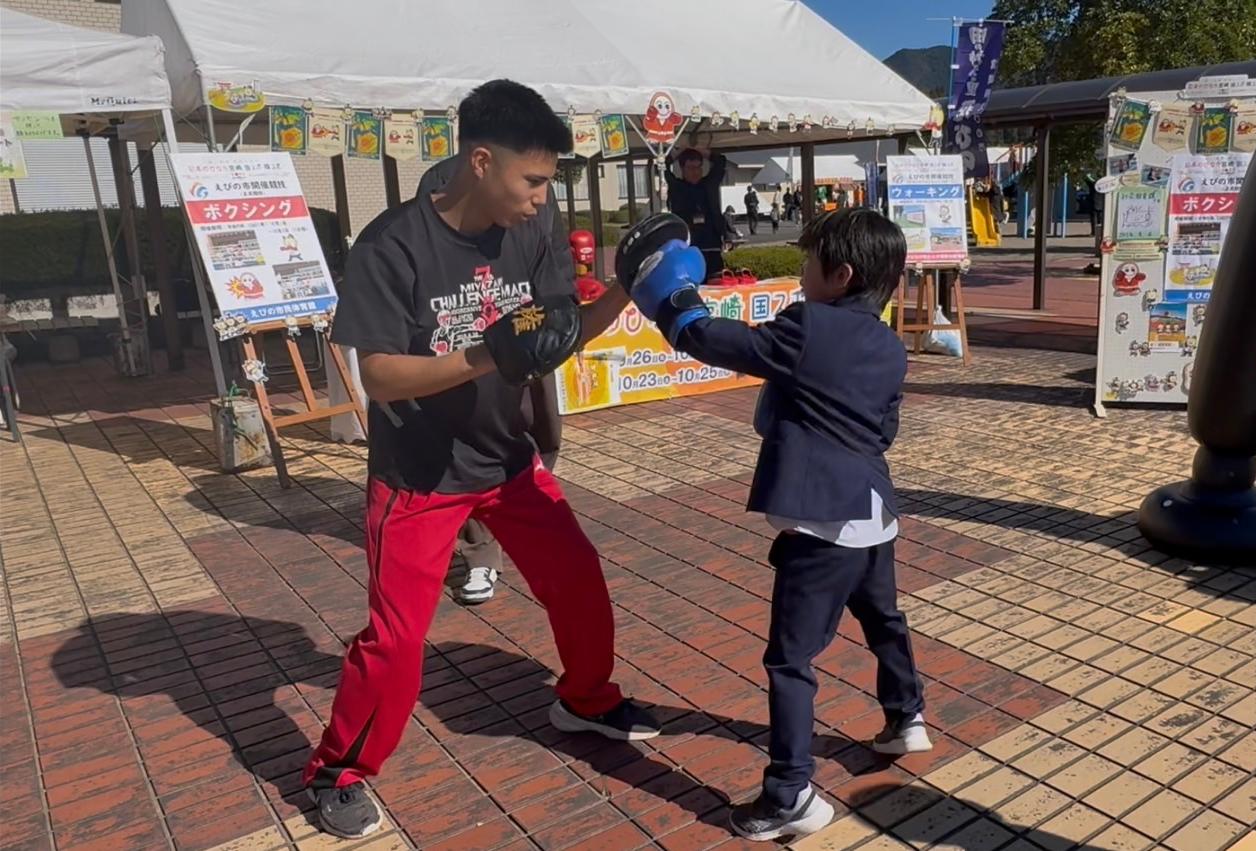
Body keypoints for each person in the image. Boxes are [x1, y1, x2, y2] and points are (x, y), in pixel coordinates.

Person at [303, 80, 660, 840]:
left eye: (548, 184)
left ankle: (586, 699)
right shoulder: (391, 244)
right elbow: (381, 374)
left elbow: (557, 331)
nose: (541, 198)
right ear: (480, 161)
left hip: (507, 458)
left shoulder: (531, 227)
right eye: (532, 181)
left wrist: (634, 280)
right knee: (395, 639)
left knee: (579, 579)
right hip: (419, 476)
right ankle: (339, 770)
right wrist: (482, 352)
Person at [613, 208, 929, 842]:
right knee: (884, 619)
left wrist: (672, 295)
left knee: (790, 662)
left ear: (839, 275)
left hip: (823, 527)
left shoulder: (812, 324)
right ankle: (906, 718)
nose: (801, 277)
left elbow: (711, 340)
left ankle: (789, 793)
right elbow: (885, 429)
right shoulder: (890, 345)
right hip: (876, 514)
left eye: (808, 264)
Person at [415, 153, 564, 605]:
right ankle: (481, 552)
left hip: (531, 326)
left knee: (541, 428)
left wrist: (560, 311)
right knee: (474, 439)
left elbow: (551, 249)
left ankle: (519, 513)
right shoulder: (439, 180)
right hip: (472, 336)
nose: (536, 197)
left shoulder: (535, 180)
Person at [663, 146, 729, 280]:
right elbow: (660, 167)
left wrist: (699, 150)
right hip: (688, 246)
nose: (696, 172)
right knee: (693, 282)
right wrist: (678, 153)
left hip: (712, 245)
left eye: (699, 167)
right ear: (682, 169)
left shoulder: (709, 184)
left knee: (716, 281)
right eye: (691, 168)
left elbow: (721, 161)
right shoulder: (677, 186)